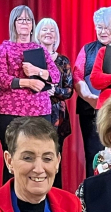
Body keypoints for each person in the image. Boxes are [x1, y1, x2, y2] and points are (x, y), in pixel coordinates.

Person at [0, 5, 60, 183]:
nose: (25, 23)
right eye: (20, 19)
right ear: (13, 23)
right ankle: (10, 202)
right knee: (14, 160)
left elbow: (55, 76)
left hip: (39, 111)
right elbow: (0, 78)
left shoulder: (40, 49)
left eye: (28, 20)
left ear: (32, 25)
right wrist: (27, 82)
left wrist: (37, 71)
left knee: (39, 156)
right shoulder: (4, 48)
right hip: (10, 111)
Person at [73, 8, 111, 177]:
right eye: (99, 27)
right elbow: (77, 76)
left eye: (106, 27)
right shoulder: (87, 49)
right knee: (94, 155)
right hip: (90, 110)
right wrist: (89, 98)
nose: (103, 32)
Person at [36, 17, 73, 189]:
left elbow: (69, 90)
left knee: (54, 157)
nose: (48, 33)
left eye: (52, 30)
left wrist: (54, 91)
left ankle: (55, 194)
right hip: (34, 115)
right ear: (37, 34)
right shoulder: (31, 57)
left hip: (57, 117)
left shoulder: (63, 61)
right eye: (44, 29)